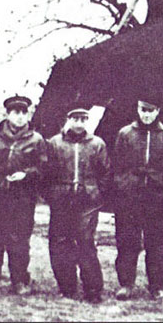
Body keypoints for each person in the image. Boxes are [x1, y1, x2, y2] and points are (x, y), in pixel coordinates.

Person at [0, 95, 47, 295]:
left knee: (19, 241)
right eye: (16, 113)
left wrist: (26, 175)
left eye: (24, 113)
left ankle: (19, 281)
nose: (20, 117)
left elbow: (43, 169)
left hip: (22, 199)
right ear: (7, 115)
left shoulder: (36, 139)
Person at [111, 97, 163, 301]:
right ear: (137, 110)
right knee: (127, 241)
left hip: (157, 198)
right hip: (130, 198)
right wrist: (124, 185)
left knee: (157, 243)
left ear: (158, 111)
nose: (146, 115)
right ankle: (126, 284)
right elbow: (117, 166)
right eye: (143, 110)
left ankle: (157, 287)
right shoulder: (125, 134)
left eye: (151, 110)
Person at [44, 107, 110, 303]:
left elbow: (105, 173)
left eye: (83, 119)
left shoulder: (97, 144)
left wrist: (96, 194)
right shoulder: (54, 143)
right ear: (68, 119)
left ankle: (93, 290)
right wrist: (53, 195)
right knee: (60, 242)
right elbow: (46, 174)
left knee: (86, 242)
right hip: (62, 199)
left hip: (87, 202)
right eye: (75, 118)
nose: (79, 123)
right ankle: (67, 287)